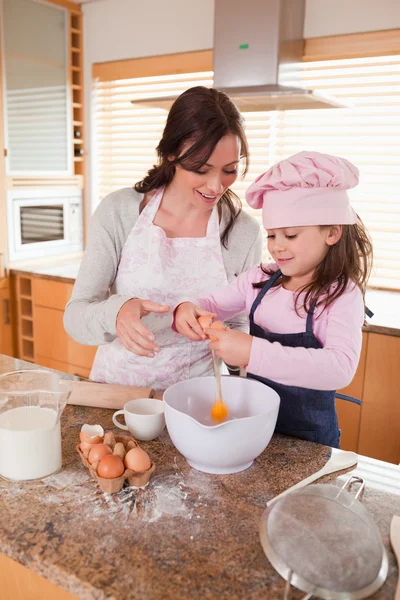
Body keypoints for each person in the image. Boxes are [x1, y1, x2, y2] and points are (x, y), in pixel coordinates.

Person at [64, 86, 263, 390]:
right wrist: (115, 312)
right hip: (118, 397)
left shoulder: (243, 232)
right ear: (170, 153)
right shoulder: (119, 211)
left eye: (230, 170)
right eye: (201, 169)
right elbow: (75, 316)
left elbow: (239, 325)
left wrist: (233, 346)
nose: (215, 186)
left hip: (198, 401)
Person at [174, 151, 373, 448]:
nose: (277, 248)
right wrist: (187, 309)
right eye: (271, 236)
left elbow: (339, 367)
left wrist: (253, 352)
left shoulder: (341, 295)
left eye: (290, 235)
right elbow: (212, 304)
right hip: (255, 427)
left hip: (310, 442)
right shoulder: (261, 278)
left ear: (332, 232)